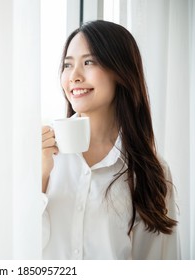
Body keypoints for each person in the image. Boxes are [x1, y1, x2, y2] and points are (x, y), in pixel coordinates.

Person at [41, 20, 180, 259]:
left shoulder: (150, 170)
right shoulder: (40, 154)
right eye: (67, 65)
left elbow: (159, 261)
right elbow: (13, 246)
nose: (73, 76)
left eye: (89, 62)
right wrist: (40, 176)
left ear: (120, 72)